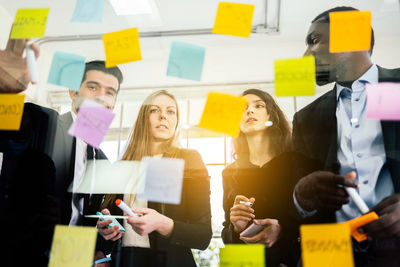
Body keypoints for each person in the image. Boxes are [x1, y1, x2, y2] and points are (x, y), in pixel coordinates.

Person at [292, 6, 400, 266]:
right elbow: (300, 200)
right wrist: (301, 196)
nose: (305, 54)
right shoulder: (306, 118)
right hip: (329, 254)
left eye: (314, 41)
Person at [97, 90, 212, 267]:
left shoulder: (189, 159)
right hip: (125, 261)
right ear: (144, 118)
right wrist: (106, 230)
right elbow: (110, 237)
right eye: (154, 110)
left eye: (170, 111)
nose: (163, 116)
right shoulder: (122, 166)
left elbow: (203, 236)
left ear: (176, 121)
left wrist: (163, 223)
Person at [49, 60, 123, 264]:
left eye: (109, 92)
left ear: (113, 104)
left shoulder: (102, 161)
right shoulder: (46, 126)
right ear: (73, 91)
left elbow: (81, 216)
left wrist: (101, 229)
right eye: (92, 87)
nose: (101, 96)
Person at [221, 89, 300, 266]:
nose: (249, 111)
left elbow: (316, 221)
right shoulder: (230, 172)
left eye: (258, 106)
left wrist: (283, 230)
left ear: (271, 115)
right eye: (243, 109)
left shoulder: (296, 162)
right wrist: (236, 227)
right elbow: (227, 237)